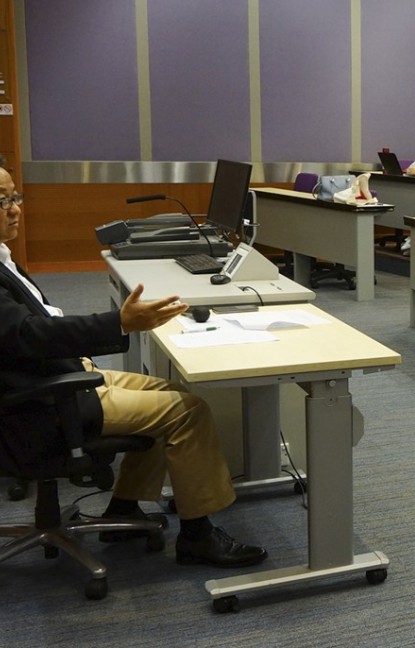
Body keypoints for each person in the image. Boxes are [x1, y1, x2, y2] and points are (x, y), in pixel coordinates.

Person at [0, 168, 266, 568]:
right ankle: (198, 536)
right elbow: (28, 334)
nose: (15, 209)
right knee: (187, 413)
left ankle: (123, 508)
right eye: (2, 202)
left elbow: (32, 328)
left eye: (14, 197)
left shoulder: (2, 256)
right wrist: (120, 322)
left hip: (49, 375)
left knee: (172, 392)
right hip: (37, 401)